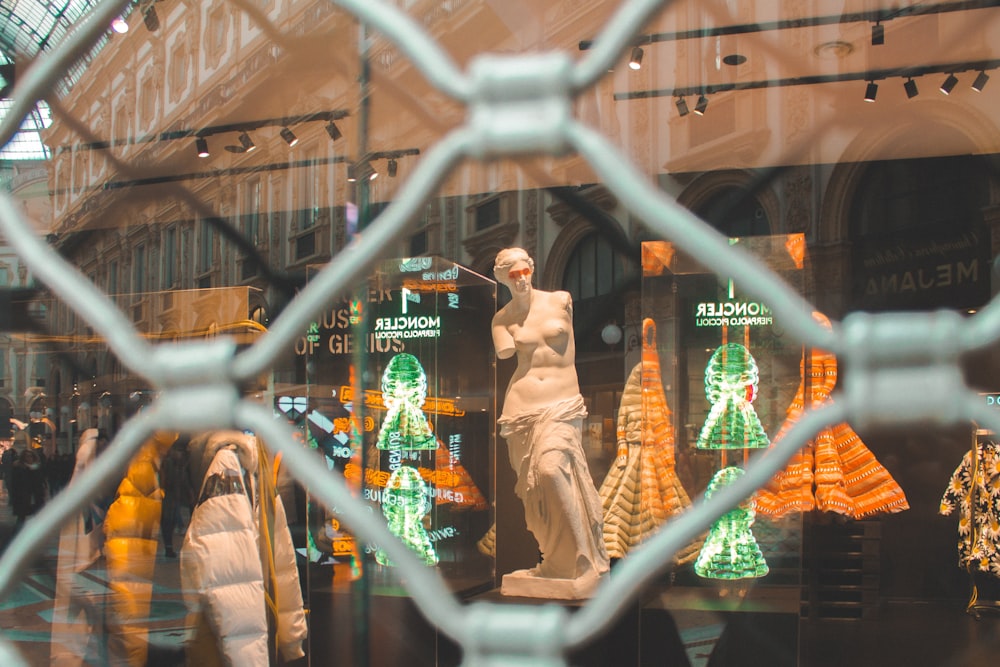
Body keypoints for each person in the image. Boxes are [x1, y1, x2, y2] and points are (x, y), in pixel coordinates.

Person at [492, 247, 608, 596]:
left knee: (550, 470)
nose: (522, 278)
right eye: (513, 274)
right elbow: (507, 354)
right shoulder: (501, 319)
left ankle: (586, 562)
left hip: (560, 406)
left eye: (525, 269)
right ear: (503, 279)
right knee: (534, 493)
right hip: (522, 410)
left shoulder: (560, 300)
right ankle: (556, 562)